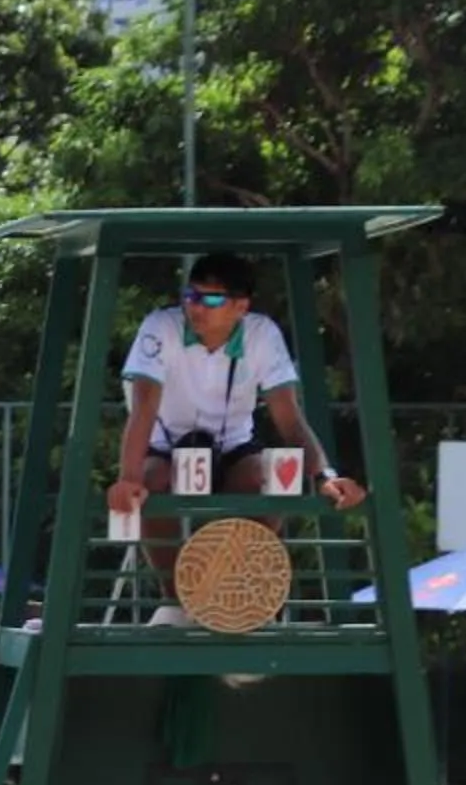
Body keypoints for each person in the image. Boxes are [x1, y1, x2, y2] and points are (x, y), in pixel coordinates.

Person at [110, 252, 364, 617]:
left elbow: (290, 420)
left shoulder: (263, 334)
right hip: (165, 445)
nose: (196, 308)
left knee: (271, 476)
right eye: (191, 296)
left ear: (241, 306)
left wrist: (325, 476)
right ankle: (179, 597)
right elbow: (144, 406)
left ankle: (239, 591)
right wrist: (128, 479)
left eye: (211, 299)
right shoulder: (160, 327)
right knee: (149, 481)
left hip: (232, 446)